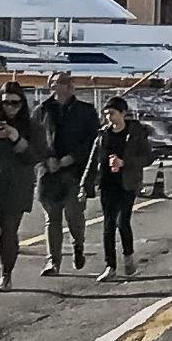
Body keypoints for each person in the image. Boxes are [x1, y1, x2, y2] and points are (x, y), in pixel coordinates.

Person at [0, 82, 45, 291]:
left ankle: (7, 274)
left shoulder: (31, 126)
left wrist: (16, 138)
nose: (10, 107)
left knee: (9, 232)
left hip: (17, 185)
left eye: (15, 103)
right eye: (6, 103)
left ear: (22, 103)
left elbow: (37, 155)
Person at [34, 71, 99, 276]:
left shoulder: (86, 111)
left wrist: (72, 157)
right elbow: (35, 139)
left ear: (71, 86)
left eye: (63, 82)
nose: (58, 86)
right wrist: (47, 159)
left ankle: (78, 245)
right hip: (48, 173)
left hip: (75, 172)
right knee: (51, 218)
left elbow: (93, 141)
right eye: (54, 83)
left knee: (74, 215)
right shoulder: (41, 110)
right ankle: (53, 261)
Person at [81, 97, 153, 280]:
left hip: (127, 183)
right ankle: (110, 265)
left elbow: (147, 157)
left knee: (123, 222)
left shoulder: (135, 134)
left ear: (123, 113)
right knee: (108, 224)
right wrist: (84, 185)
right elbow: (92, 161)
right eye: (106, 113)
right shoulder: (103, 135)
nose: (109, 117)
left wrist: (125, 162)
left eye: (112, 113)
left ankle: (128, 256)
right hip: (107, 183)